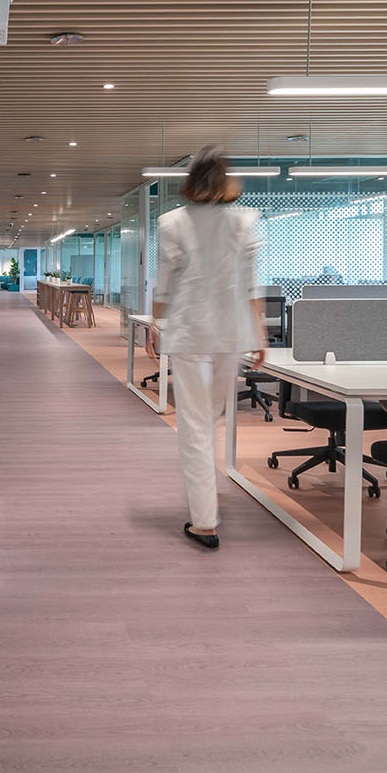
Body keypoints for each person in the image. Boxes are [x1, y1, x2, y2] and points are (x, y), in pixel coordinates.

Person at [151, 146, 268, 549]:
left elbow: (165, 284)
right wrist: (260, 334)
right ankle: (208, 498)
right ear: (226, 181)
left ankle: (204, 520)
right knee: (211, 419)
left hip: (190, 333)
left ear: (191, 182)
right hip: (231, 336)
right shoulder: (245, 221)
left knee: (196, 425)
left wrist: (156, 325)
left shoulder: (172, 222)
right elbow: (251, 284)